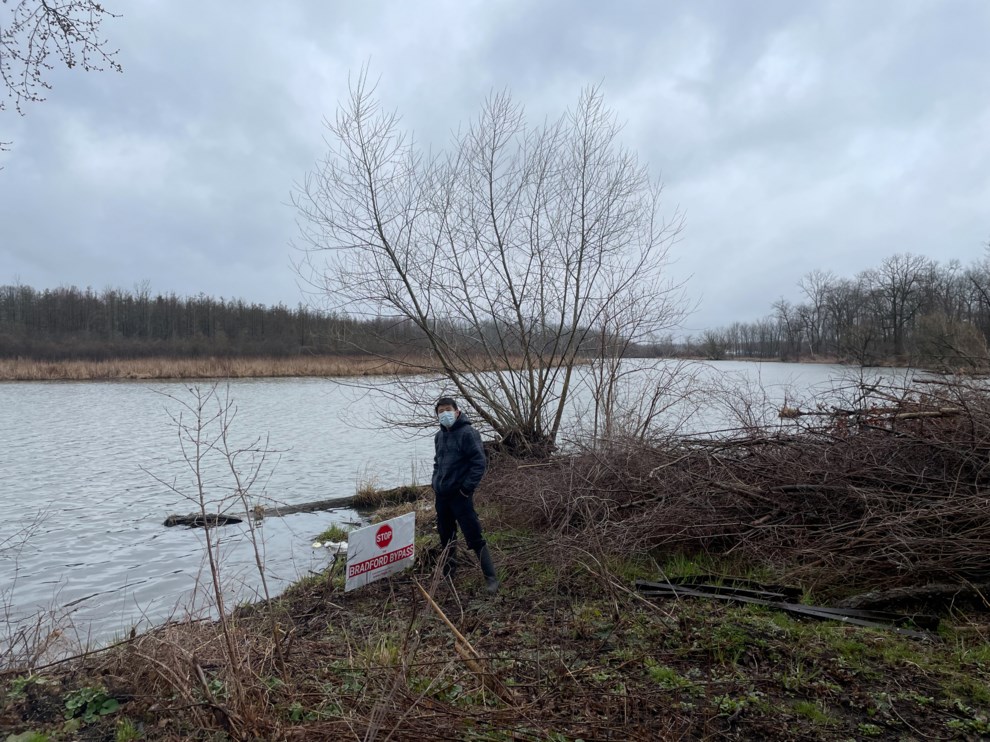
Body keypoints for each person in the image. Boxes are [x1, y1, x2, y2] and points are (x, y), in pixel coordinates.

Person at [431, 396, 499, 593]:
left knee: (474, 535)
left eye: (448, 410)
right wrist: (435, 482)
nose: (445, 414)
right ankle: (449, 577)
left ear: (457, 411)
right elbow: (437, 462)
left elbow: (479, 464)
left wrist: (465, 489)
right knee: (446, 537)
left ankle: (491, 579)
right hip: (442, 497)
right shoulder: (439, 437)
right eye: (441, 411)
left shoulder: (469, 433)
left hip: (460, 496)